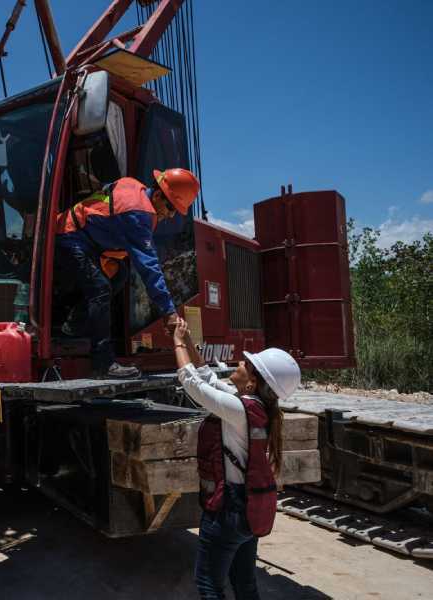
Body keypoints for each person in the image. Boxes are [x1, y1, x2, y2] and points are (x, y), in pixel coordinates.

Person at [172, 319, 301, 599]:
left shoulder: (238, 409)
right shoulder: (255, 407)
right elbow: (207, 377)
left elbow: (192, 383)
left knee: (209, 584)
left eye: (245, 365)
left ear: (253, 382)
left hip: (228, 511)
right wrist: (191, 341)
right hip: (247, 509)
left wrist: (178, 342)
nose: (238, 365)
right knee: (244, 584)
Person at [55, 167, 200, 378]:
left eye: (175, 211)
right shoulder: (138, 213)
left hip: (88, 239)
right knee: (100, 289)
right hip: (71, 235)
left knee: (120, 274)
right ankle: (103, 364)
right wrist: (169, 312)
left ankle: (73, 326)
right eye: (170, 207)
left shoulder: (134, 186)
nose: (170, 215)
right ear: (158, 194)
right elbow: (149, 268)